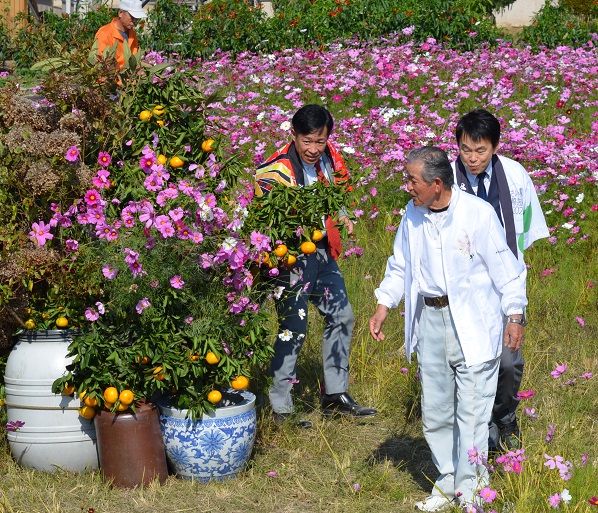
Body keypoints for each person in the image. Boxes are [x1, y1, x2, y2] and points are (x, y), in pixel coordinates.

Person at [369, 146, 527, 511]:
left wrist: (515, 316)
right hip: (431, 320)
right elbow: (399, 265)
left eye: (412, 180)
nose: (407, 187)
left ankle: (472, 488)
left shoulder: (477, 214)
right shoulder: (413, 214)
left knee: (472, 410)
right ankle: (447, 481)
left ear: (436, 184)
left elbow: (508, 271)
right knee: (437, 408)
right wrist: (382, 306)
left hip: (472, 322)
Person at [255, 104, 377, 427]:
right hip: (292, 257)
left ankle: (334, 394)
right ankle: (281, 407)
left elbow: (332, 197)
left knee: (342, 315)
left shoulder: (327, 161)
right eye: (306, 140)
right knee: (293, 329)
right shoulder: (276, 170)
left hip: (321, 253)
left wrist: (344, 217)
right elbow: (263, 212)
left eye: (319, 141)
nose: (312, 149)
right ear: (293, 136)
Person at [453, 109, 549, 452]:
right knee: (470, 360)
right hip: (463, 287)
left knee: (510, 361)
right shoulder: (447, 178)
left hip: (505, 284)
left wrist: (512, 283)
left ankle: (505, 416)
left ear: (495, 146)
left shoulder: (515, 174)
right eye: (466, 150)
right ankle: (480, 425)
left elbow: (523, 234)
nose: (473, 158)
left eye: (481, 150)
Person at [90, 0, 146, 70]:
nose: (134, 21)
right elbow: (100, 63)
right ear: (120, 13)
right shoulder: (105, 33)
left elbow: (135, 60)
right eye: (132, 17)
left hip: (129, 79)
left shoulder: (132, 35)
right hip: (111, 79)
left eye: (137, 18)